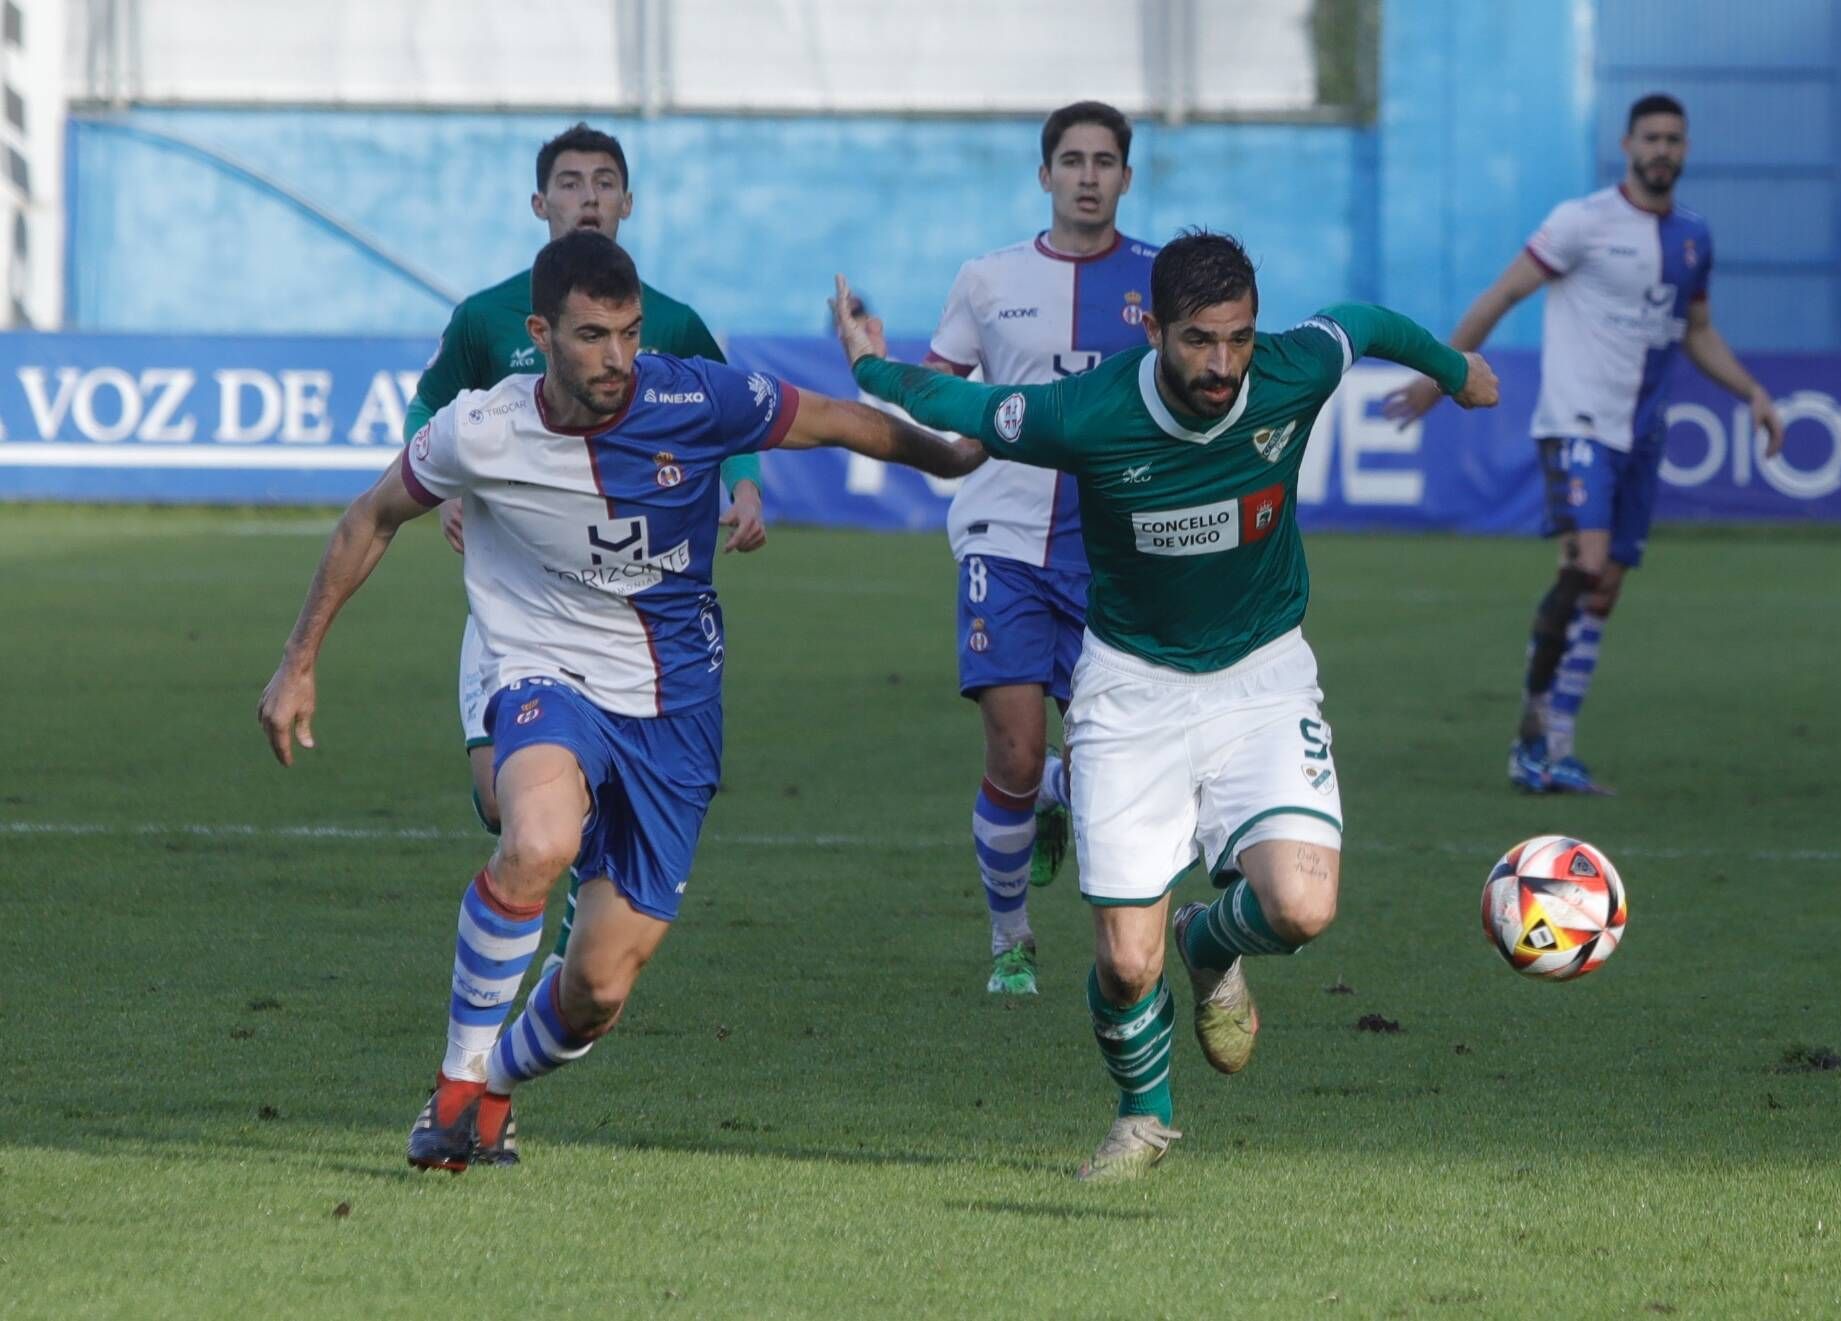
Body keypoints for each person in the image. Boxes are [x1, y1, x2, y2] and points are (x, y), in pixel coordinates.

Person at [258, 231, 982, 1171]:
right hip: (542, 669)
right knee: (538, 839)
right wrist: (298, 658)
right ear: (541, 332)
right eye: (593, 336)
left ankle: (495, 1091)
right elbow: (370, 518)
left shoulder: (694, 395)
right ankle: (453, 1083)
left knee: (597, 986)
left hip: (675, 705)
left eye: (629, 334)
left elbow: (841, 423)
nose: (617, 359)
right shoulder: (483, 427)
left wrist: (949, 457)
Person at [832, 231, 1499, 1181]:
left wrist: (1454, 369)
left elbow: (1364, 323)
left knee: (1303, 908)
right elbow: (959, 401)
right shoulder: (1089, 412)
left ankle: (1208, 938)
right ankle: (1144, 1115)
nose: (1222, 364)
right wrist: (869, 364)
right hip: (1131, 692)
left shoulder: (1289, 372)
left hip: (1264, 677)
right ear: (1151, 327)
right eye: (1197, 340)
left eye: (1237, 338)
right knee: (1122, 967)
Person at [405, 121, 766, 972]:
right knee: (503, 806)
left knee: (550, 825)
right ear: (541, 204)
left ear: (628, 202)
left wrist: (743, 485)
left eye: (605, 181)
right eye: (570, 182)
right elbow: (428, 412)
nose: (589, 196)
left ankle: (580, 877)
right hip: (518, 611)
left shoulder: (670, 320)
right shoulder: (486, 317)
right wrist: (448, 492)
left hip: (627, 609)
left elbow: (735, 415)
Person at [1382, 92, 1784, 795]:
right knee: (1587, 564)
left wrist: (1751, 391)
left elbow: (1698, 332)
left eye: (1674, 139)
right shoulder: (1583, 223)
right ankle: (1530, 737)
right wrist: (1439, 375)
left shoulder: (1693, 237)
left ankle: (1557, 744)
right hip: (1578, 425)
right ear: (1627, 146)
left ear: (1684, 151)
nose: (1663, 149)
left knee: (1607, 589)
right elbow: (1504, 294)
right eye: (1651, 137)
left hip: (1642, 435)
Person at [923, 101, 1156, 996]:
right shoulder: (988, 279)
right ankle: (1009, 940)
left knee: (1102, 765)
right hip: (1004, 535)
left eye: (1105, 161)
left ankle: (1064, 791)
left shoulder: (1162, 279)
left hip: (1114, 547)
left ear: (1126, 178)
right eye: (1072, 159)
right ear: (1045, 174)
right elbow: (940, 386)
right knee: (1013, 753)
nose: (1089, 175)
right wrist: (880, 369)